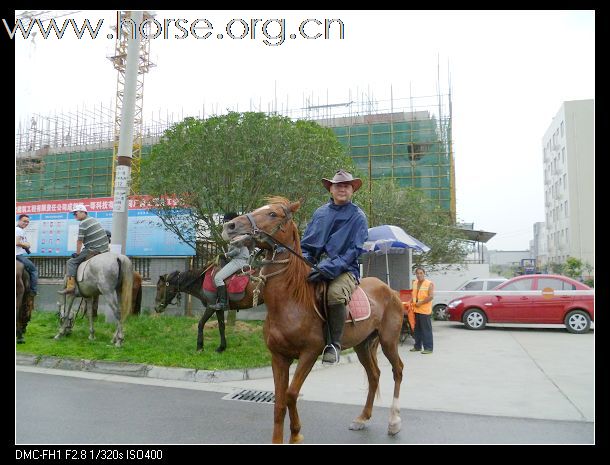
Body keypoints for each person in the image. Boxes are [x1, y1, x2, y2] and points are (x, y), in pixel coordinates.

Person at [301, 169, 369, 364]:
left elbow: (353, 251)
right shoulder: (320, 213)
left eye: (346, 186)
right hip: (316, 266)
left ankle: (334, 344)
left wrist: (328, 269)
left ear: (352, 190)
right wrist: (305, 262)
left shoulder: (358, 217)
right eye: (338, 185)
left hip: (345, 269)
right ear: (330, 189)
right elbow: (307, 245)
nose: (342, 189)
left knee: (335, 295)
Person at [58, 204, 109, 295]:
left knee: (71, 262)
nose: (74, 215)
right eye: (74, 214)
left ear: (83, 212)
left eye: (76, 213)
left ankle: (70, 286)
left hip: (93, 249)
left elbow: (79, 241)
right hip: (105, 249)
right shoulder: (92, 219)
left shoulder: (83, 223)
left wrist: (77, 253)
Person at [208, 212, 251, 311]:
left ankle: (222, 303)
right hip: (240, 260)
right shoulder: (238, 232)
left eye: (226, 221)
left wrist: (225, 255)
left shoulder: (237, 234)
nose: (225, 223)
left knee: (218, 278)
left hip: (238, 261)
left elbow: (236, 251)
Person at [410, 267, 435, 354]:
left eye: (421, 273)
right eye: (417, 273)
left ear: (424, 273)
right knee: (417, 330)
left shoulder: (429, 283)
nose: (419, 275)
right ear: (416, 274)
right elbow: (414, 294)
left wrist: (420, 303)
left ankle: (428, 348)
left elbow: (431, 296)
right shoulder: (415, 282)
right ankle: (417, 346)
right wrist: (410, 302)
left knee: (426, 330)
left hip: (424, 311)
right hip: (416, 310)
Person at [15, 214, 38, 295]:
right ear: (19, 221)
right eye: (24, 221)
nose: (26, 223)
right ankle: (33, 291)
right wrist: (26, 245)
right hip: (17, 255)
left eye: (28, 222)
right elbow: (17, 242)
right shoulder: (18, 230)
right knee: (34, 270)